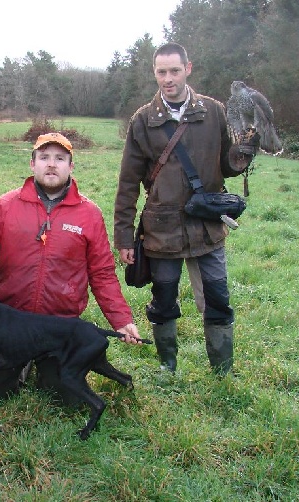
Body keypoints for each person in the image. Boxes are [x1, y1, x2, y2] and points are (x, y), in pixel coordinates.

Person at [0, 132, 143, 404]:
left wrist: (121, 319)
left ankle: (40, 366)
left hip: (58, 326)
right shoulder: (7, 205)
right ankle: (19, 364)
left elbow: (102, 273)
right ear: (32, 164)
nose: (52, 164)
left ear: (71, 166)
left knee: (65, 397)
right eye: (44, 157)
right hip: (9, 321)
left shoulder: (90, 214)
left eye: (60, 159)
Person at [113, 42, 256, 376]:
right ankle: (168, 366)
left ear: (188, 69)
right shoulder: (143, 120)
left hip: (207, 225)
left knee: (218, 298)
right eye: (161, 72)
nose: (168, 79)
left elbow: (227, 165)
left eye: (174, 71)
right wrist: (123, 237)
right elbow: (127, 183)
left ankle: (222, 372)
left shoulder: (213, 111)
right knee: (163, 299)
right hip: (162, 229)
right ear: (154, 73)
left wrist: (242, 154)